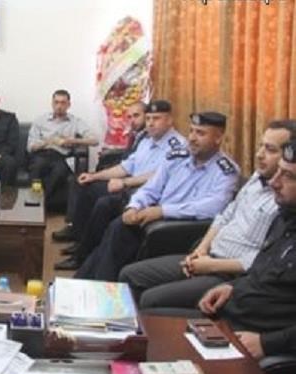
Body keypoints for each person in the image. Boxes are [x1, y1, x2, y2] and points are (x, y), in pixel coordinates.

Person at [119, 120, 295, 309]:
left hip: (229, 274)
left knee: (151, 299)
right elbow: (225, 215)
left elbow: (265, 262)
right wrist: (201, 249)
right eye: (261, 146)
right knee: (130, 275)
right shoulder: (257, 178)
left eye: (270, 149)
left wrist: (210, 265)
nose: (259, 154)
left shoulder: (285, 201)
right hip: (208, 255)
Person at [75, 111, 239, 280]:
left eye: (200, 133)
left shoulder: (226, 171)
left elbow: (213, 207)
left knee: (119, 235)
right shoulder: (177, 157)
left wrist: (162, 211)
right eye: (191, 131)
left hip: (181, 227)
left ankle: (95, 284)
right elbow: (151, 188)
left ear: (218, 138)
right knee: (118, 226)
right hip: (156, 218)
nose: (192, 138)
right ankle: (86, 281)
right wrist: (134, 206)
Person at [53, 100, 186, 270]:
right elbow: (125, 167)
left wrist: (124, 182)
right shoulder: (147, 140)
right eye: (149, 118)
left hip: (148, 194)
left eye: (157, 118)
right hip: (132, 187)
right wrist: (94, 176)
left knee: (104, 204)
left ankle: (82, 257)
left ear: (169, 120)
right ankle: (79, 239)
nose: (151, 123)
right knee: (86, 185)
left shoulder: (177, 147)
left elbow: (157, 177)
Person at [198, 138, 296, 358]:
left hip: (255, 339)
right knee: (149, 326)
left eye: (288, 176)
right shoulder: (284, 218)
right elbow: (261, 272)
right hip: (227, 316)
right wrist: (232, 287)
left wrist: (266, 344)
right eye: (279, 172)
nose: (274, 183)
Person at [27, 89, 97, 204]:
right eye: (56, 102)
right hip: (41, 154)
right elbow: (30, 147)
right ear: (52, 103)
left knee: (60, 171)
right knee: (37, 167)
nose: (59, 106)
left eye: (63, 103)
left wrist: (72, 140)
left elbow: (95, 141)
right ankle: (37, 199)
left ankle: (40, 201)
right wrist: (49, 141)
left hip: (61, 156)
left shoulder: (75, 122)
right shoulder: (40, 120)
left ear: (69, 105)